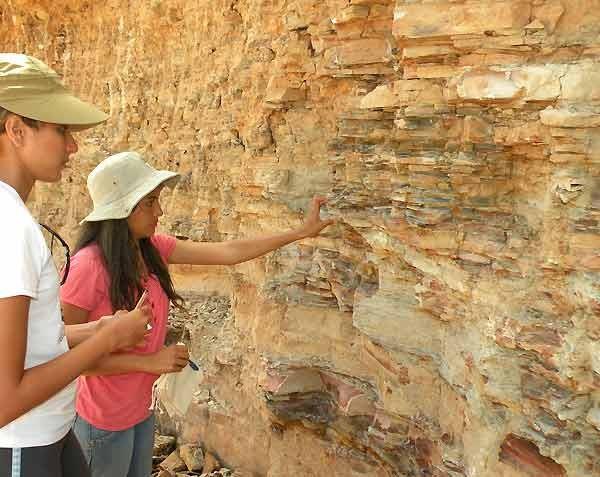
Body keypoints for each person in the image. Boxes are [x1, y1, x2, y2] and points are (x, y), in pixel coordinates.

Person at [60, 150, 334, 477]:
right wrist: (148, 362)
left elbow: (228, 253)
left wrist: (299, 233)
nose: (159, 210)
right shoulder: (87, 267)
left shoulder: (151, 250)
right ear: (121, 209)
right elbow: (64, 355)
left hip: (140, 414)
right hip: (100, 424)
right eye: (149, 202)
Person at [0, 54, 151, 477]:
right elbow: (5, 400)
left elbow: (24, 339)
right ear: (16, 129)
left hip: (47, 432)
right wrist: (102, 343)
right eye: (62, 129)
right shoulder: (10, 229)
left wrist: (95, 330)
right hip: (22, 443)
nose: (73, 146)